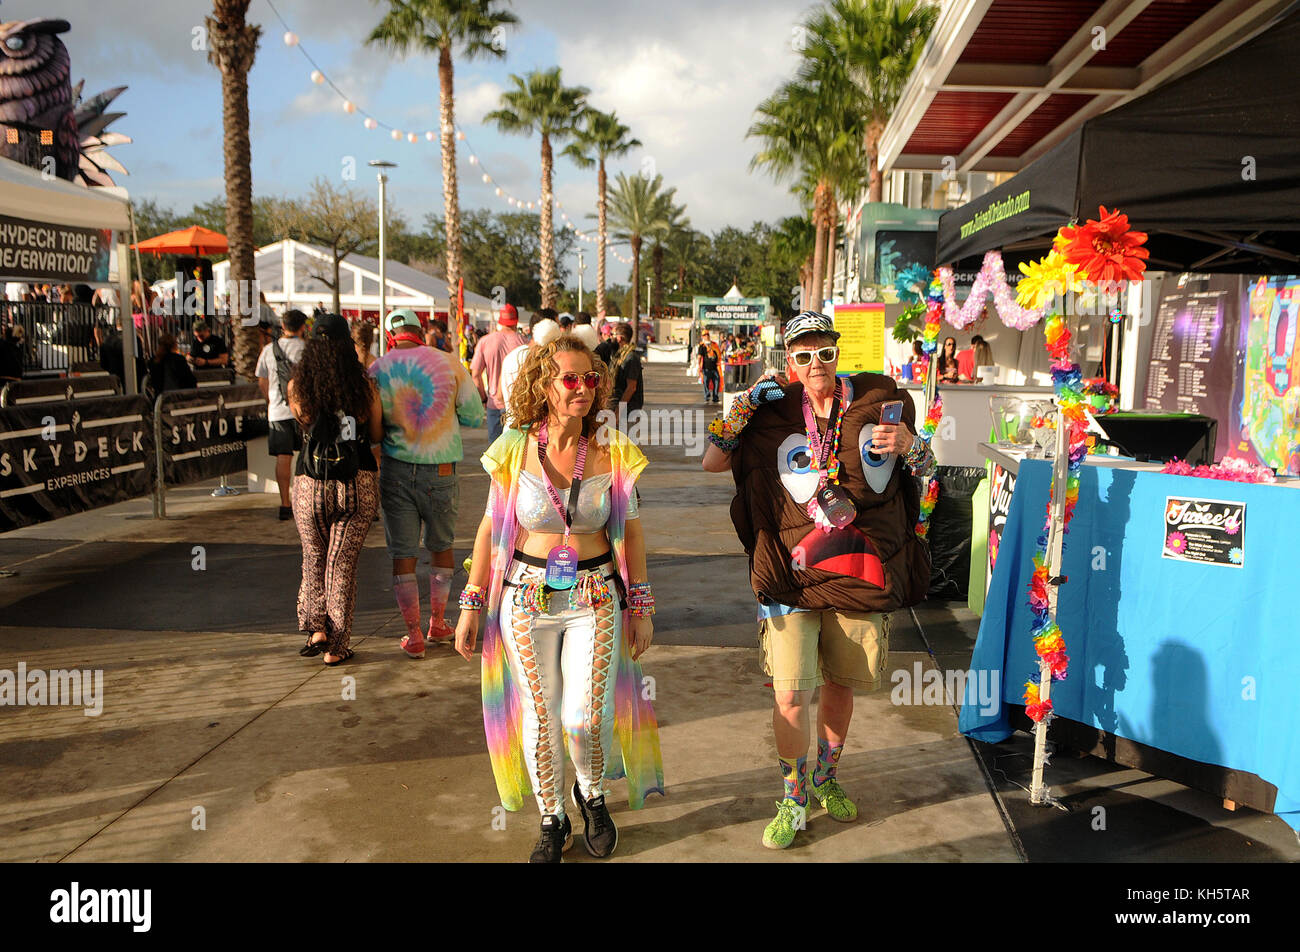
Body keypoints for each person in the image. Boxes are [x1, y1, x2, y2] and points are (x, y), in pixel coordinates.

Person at [701, 310, 933, 850]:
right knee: (788, 693)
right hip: (789, 571)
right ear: (789, 360)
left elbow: (929, 468)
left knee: (840, 684)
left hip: (857, 569)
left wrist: (907, 446)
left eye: (824, 352)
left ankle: (826, 777)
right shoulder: (772, 408)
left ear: (836, 351)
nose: (815, 365)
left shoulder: (879, 404)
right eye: (802, 355)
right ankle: (793, 795)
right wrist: (739, 409)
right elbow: (712, 462)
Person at [454, 331, 664, 863]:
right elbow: (487, 531)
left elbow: (633, 535)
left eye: (591, 379)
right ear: (543, 385)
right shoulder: (513, 448)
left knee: (585, 718)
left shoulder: (614, 451)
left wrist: (640, 608)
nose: (584, 389)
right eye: (570, 379)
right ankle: (552, 816)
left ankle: (591, 795)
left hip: (595, 597)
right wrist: (472, 603)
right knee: (539, 715)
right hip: (525, 598)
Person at [370, 309, 485, 657]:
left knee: (403, 552)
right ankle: (438, 622)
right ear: (420, 331)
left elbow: (371, 425)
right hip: (442, 470)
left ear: (391, 335)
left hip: (396, 470)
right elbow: (474, 414)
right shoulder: (448, 363)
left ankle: (414, 636)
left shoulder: (377, 369)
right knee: (441, 545)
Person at [287, 313, 383, 667]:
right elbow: (375, 434)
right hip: (355, 480)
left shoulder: (298, 385)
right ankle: (336, 646)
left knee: (313, 554)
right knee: (341, 564)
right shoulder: (365, 385)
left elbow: (304, 424)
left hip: (310, 482)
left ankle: (315, 628)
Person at [256, 309, 308, 521]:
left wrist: (271, 401)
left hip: (277, 411)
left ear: (283, 326)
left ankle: (285, 503)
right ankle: (302, 501)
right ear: (303, 327)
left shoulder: (269, 349)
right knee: (305, 457)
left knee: (283, 457)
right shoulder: (307, 349)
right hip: (303, 411)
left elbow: (262, 380)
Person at [470, 303, 526, 444]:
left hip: (494, 403)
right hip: (517, 404)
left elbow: (475, 375)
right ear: (516, 320)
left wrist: (483, 398)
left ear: (500, 321)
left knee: (494, 453)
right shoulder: (523, 342)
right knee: (516, 453)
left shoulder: (485, 341)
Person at [500, 310, 562, 427]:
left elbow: (499, 396)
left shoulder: (511, 356)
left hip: (510, 428)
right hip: (534, 432)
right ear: (548, 328)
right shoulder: (548, 360)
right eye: (557, 326)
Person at [610, 322, 644, 427]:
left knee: (625, 442)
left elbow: (631, 388)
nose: (611, 337)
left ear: (619, 338)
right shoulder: (619, 355)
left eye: (613, 335)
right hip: (622, 410)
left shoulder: (631, 358)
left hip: (628, 412)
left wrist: (618, 412)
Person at [697, 330, 722, 403]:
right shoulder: (702, 346)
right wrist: (699, 366)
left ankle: (715, 397)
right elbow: (699, 356)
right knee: (706, 383)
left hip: (714, 367)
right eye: (705, 335)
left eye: (707, 334)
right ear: (702, 337)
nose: (707, 336)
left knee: (717, 382)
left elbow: (718, 353)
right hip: (706, 368)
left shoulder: (714, 344)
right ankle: (707, 397)